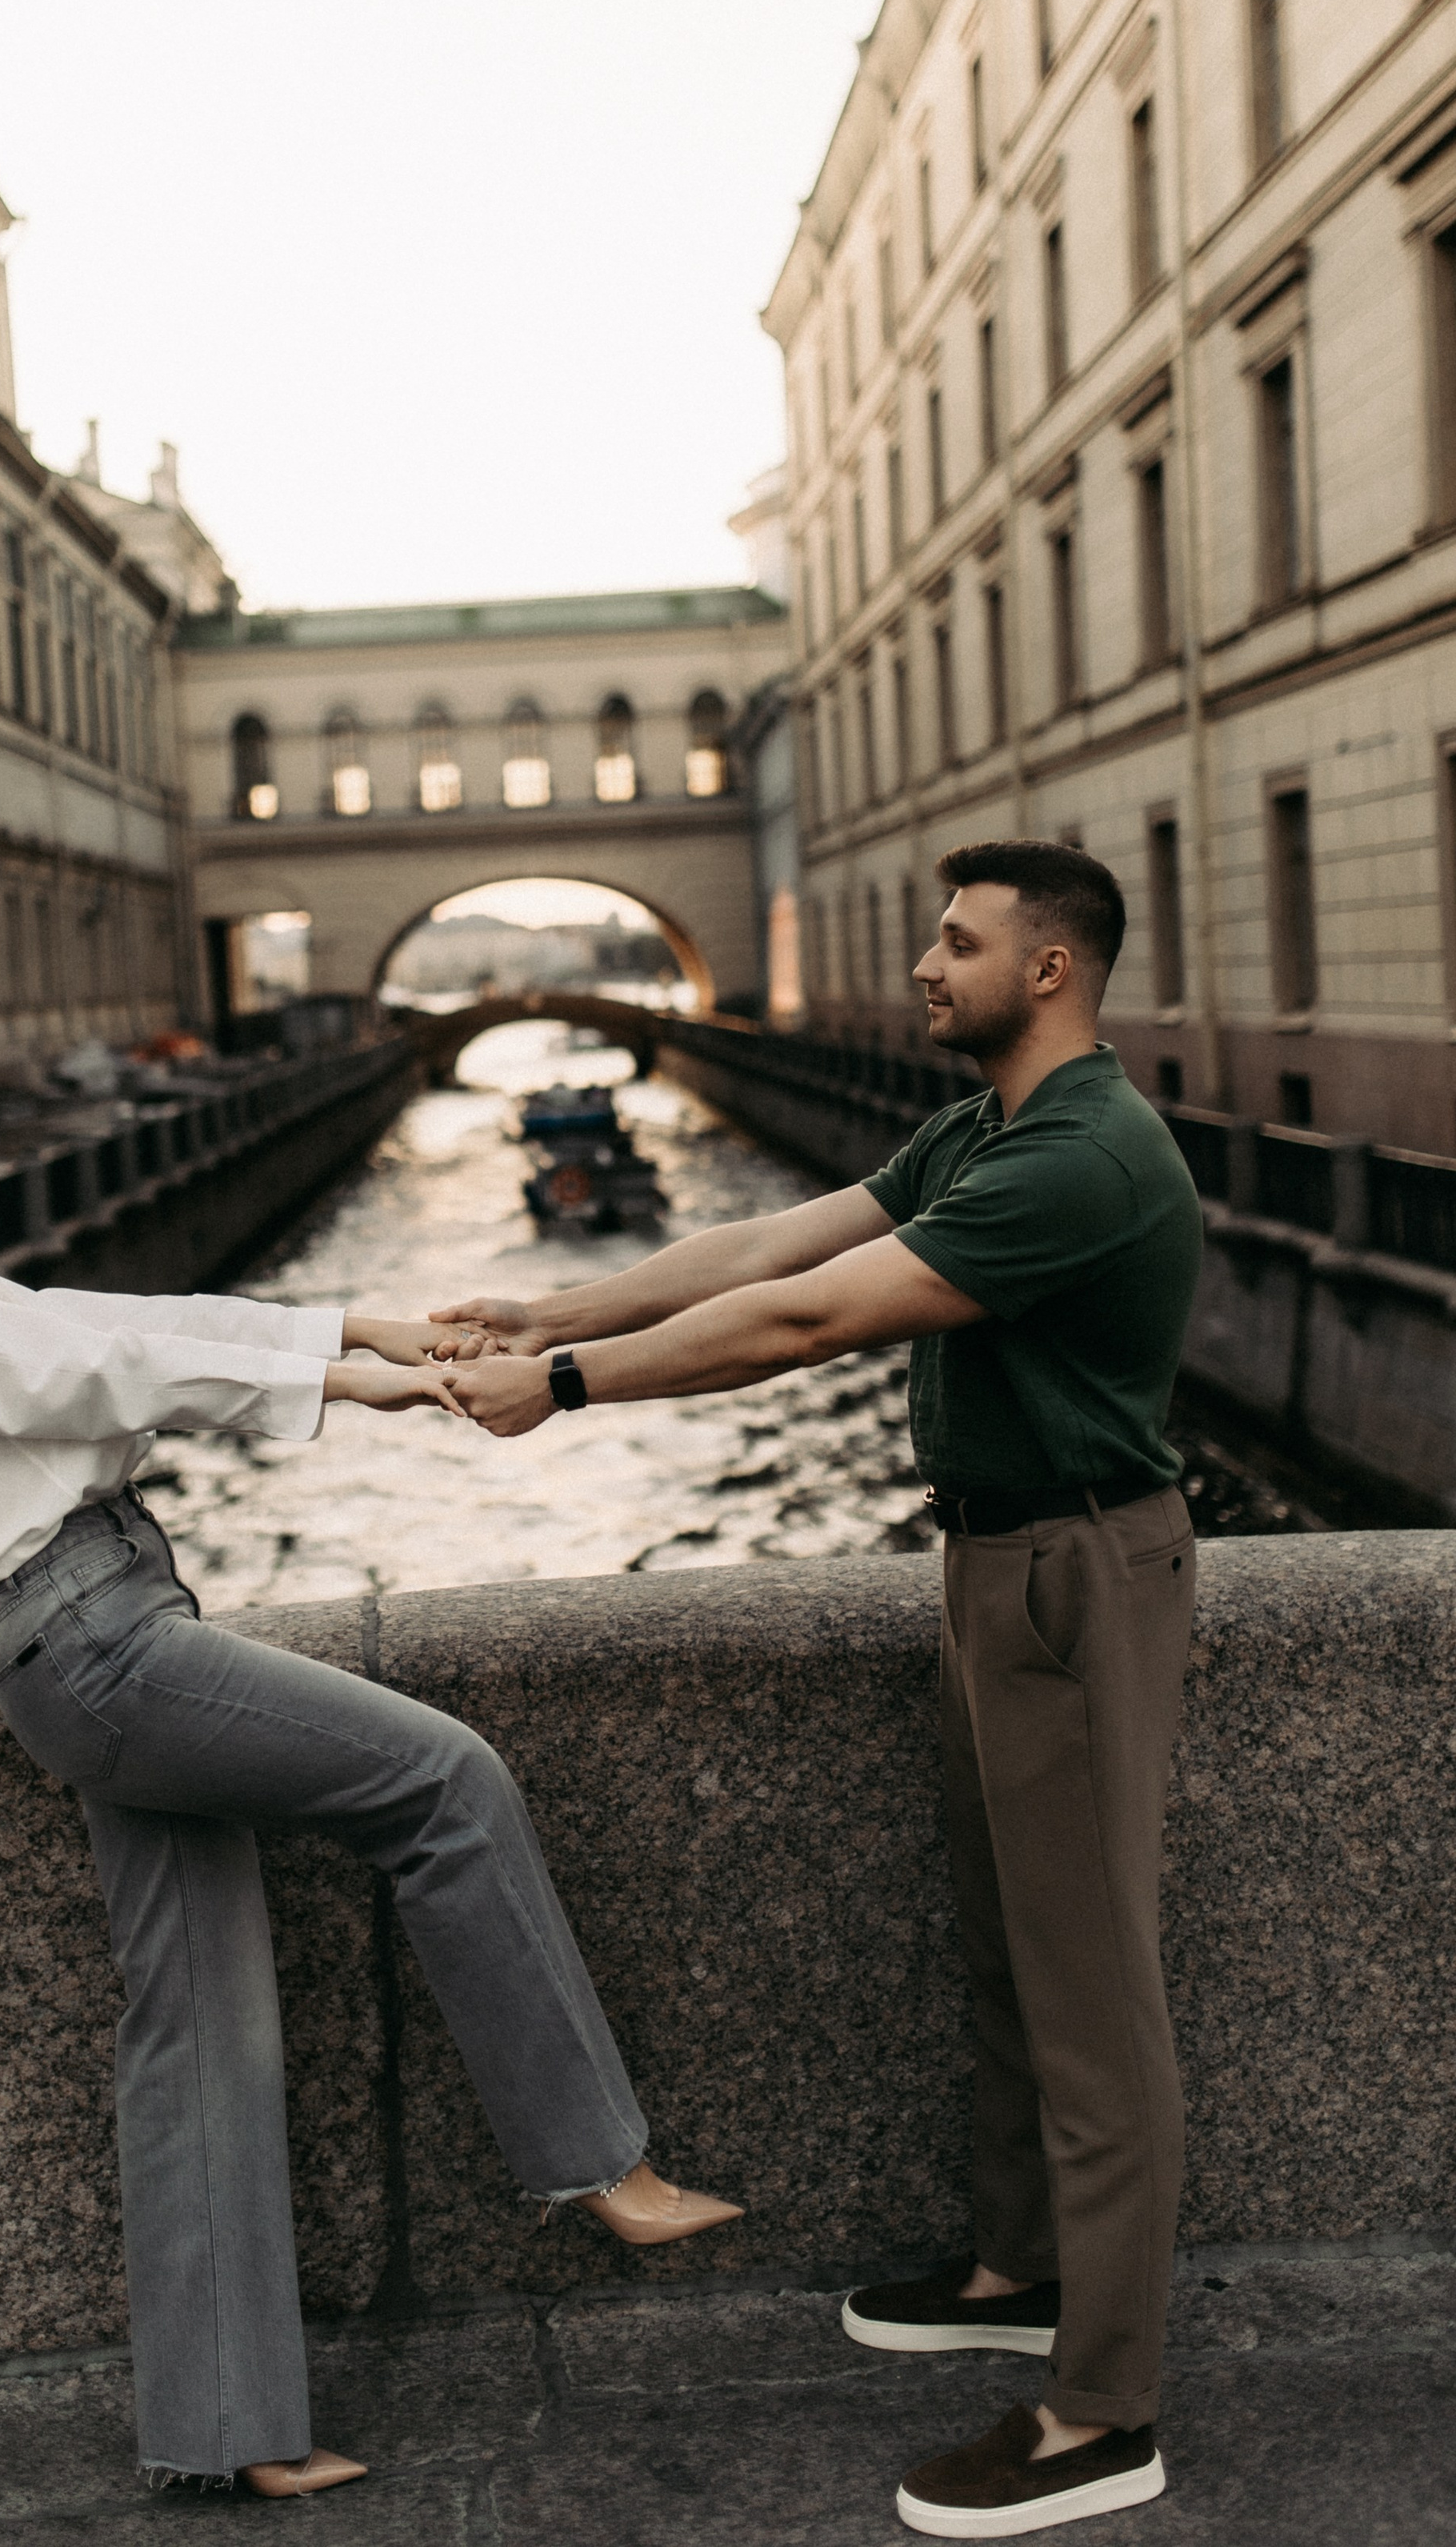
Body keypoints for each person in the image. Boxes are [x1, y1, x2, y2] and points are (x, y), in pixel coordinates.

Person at [0, 1089, 741, 2501]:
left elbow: (117, 1315)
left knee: (197, 2022)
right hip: (102, 1643)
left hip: (87, 1635)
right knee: (445, 1781)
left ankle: (235, 2424)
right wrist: (358, 1382)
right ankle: (599, 2164)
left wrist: (362, 1328)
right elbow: (105, 1364)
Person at [434, 840, 1202, 2539]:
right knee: (1009, 1950)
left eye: (957, 943)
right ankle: (1014, 2266)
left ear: (1050, 972)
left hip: (1076, 1572)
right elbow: (778, 1240)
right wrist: (544, 1303)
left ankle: (1104, 2406)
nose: (927, 965)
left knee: (1090, 2002)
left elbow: (809, 1323)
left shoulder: (1079, 1157)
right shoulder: (983, 1125)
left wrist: (558, 1385)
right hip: (998, 1560)